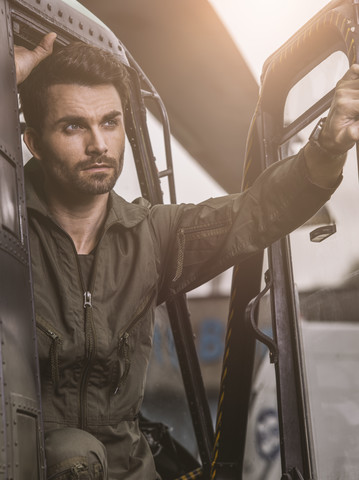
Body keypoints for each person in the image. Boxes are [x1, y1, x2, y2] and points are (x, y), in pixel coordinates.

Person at [14, 32, 357, 479]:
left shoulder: (152, 235)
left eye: (110, 122)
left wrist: (328, 146)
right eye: (74, 126)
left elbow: (255, 211)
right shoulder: (10, 230)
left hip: (128, 469)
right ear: (35, 143)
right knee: (68, 452)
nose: (98, 144)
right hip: (33, 464)